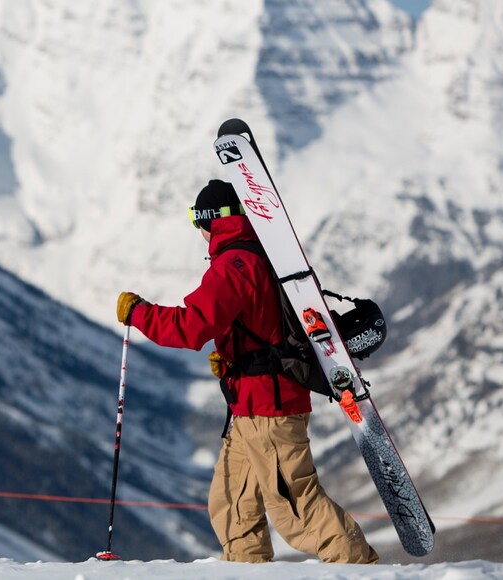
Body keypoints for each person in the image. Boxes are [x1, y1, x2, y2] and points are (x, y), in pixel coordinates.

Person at [115, 179, 378, 564]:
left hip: (270, 409)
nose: (197, 231)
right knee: (232, 504)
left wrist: (139, 313)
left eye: (195, 220)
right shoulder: (260, 254)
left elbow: (190, 328)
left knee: (297, 513)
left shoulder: (234, 266)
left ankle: (362, 571)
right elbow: (260, 324)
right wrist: (234, 357)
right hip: (251, 406)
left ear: (209, 221)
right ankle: (246, 572)